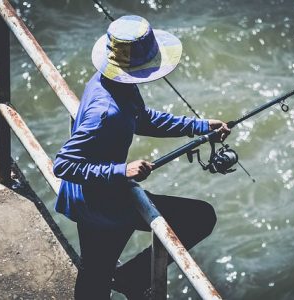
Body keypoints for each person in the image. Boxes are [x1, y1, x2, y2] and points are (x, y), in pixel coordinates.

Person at [53, 15, 230, 299]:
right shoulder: (105, 113)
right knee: (200, 217)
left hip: (91, 193)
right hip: (102, 201)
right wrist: (121, 171)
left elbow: (142, 118)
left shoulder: (109, 82)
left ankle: (128, 277)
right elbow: (64, 164)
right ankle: (132, 278)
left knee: (95, 272)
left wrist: (198, 126)